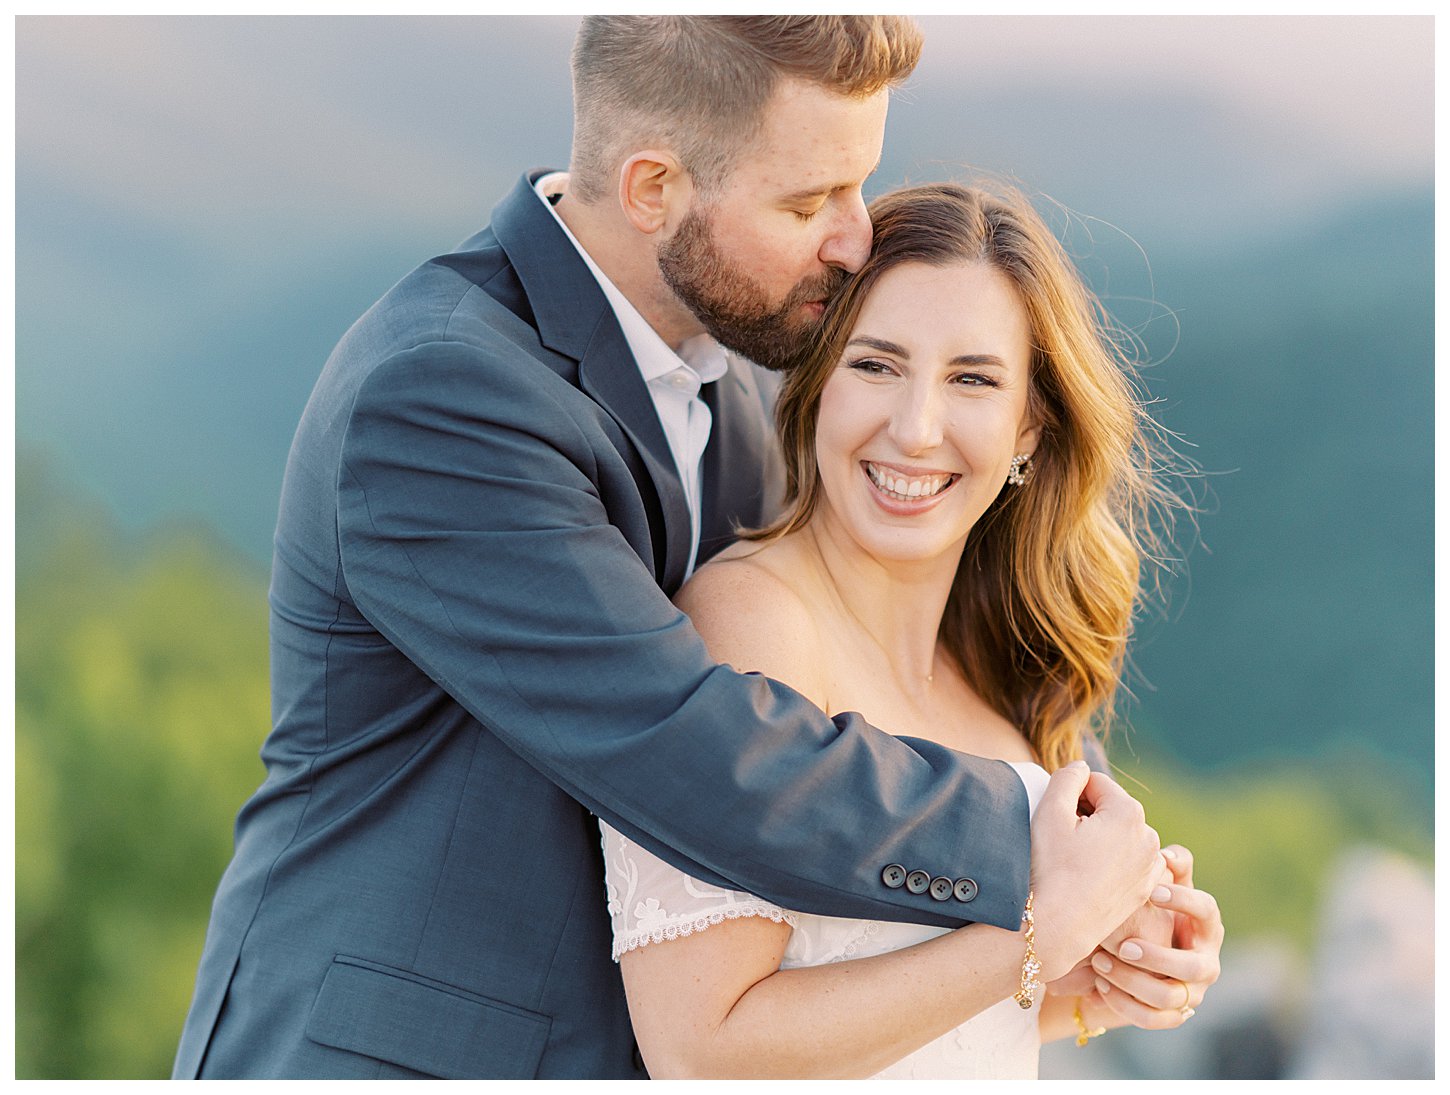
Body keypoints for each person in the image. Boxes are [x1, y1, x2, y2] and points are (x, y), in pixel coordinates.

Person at [173, 17, 1214, 1080]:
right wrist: (1042, 839)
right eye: (809, 202)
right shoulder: (443, 394)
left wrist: (1091, 940)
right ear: (652, 189)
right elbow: (689, 746)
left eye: (859, 188)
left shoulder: (738, 401)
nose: (854, 240)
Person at [599, 182, 1223, 1078]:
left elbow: (949, 1012)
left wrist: (1114, 976)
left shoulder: (1001, 666)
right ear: (816, 385)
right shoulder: (753, 623)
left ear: (1030, 431)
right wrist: (1049, 931)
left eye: (972, 379)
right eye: (876, 364)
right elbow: (705, 1044)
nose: (915, 427)